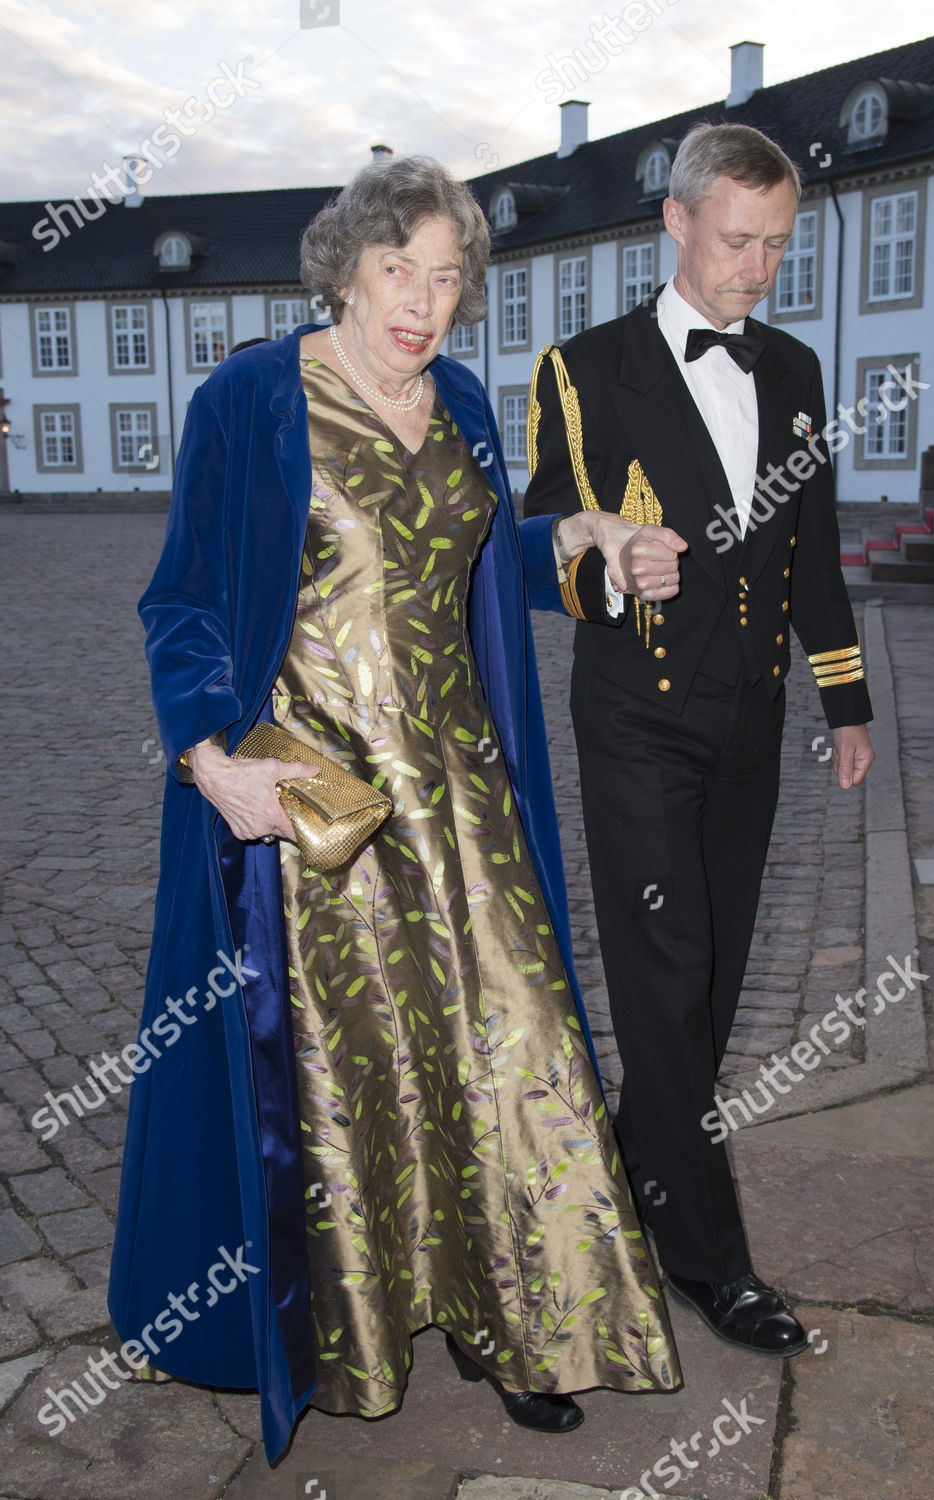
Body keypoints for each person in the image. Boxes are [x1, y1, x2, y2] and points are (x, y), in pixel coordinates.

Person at [108, 155, 679, 1463]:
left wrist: (580, 545)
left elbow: (479, 561)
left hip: (465, 797)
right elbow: (184, 599)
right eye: (395, 271)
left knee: (514, 1049)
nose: (423, 301)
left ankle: (531, 1315)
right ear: (342, 269)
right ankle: (352, 1328)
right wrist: (209, 757)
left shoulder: (467, 401)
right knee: (349, 1078)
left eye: (445, 275)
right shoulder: (255, 398)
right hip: (320, 806)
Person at [523, 123, 875, 1357]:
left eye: (777, 246)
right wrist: (607, 553)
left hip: (750, 722)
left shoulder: (793, 370)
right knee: (664, 983)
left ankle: (621, 1176)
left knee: (711, 981)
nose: (758, 268)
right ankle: (710, 1264)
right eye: (737, 241)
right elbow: (536, 543)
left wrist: (843, 700)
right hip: (634, 721)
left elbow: (815, 546)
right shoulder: (582, 369)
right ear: (675, 224)